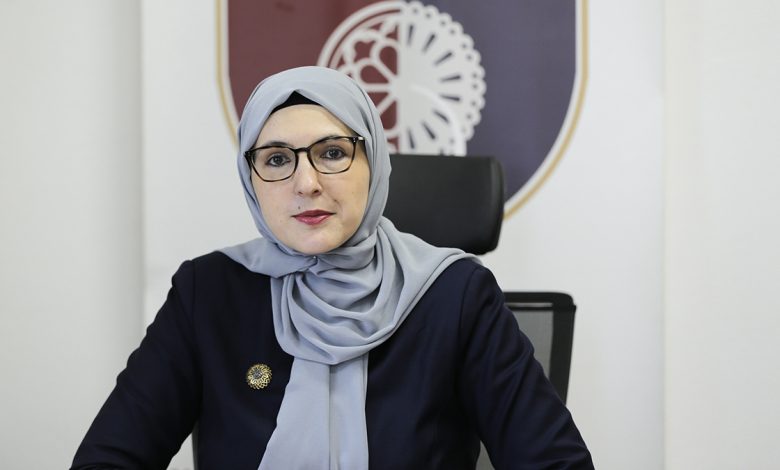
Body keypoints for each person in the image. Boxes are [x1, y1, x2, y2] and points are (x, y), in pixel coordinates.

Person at [71, 66, 593, 469]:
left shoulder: (455, 295)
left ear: (374, 163)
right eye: (277, 159)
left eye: (332, 152)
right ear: (251, 180)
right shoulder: (207, 293)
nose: (306, 183)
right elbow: (109, 458)